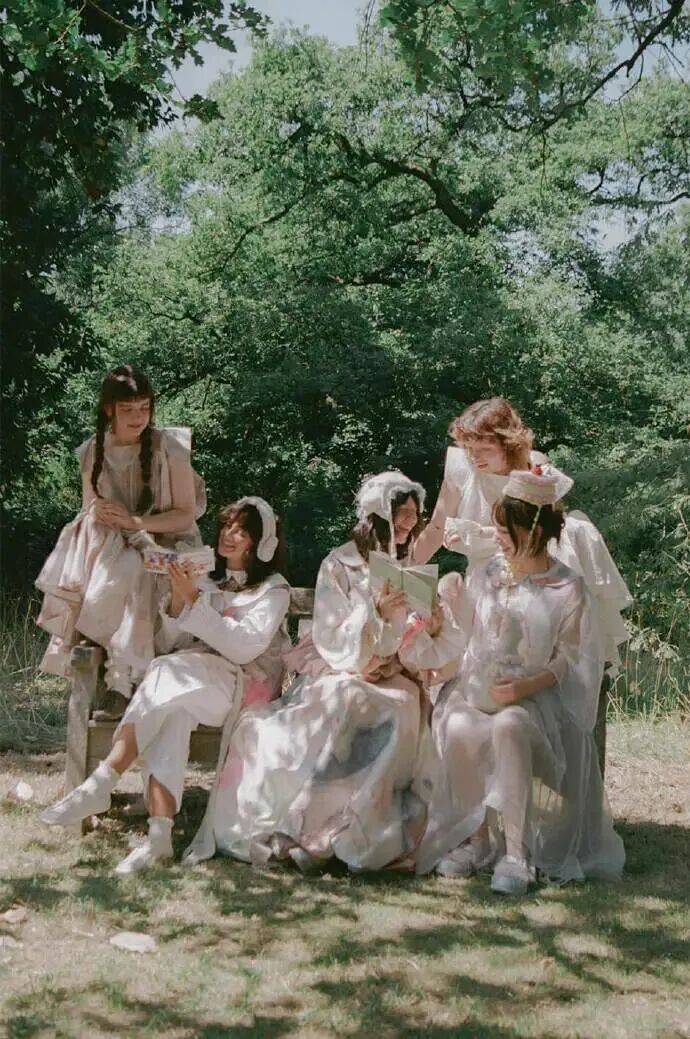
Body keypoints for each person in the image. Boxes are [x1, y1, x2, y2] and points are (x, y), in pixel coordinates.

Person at [183, 471, 465, 873]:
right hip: (340, 664)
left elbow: (415, 637)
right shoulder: (339, 562)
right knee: (345, 700)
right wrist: (374, 617)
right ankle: (312, 827)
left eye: (413, 516)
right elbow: (331, 632)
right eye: (401, 513)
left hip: (394, 670)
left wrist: (430, 627)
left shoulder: (408, 565)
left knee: (401, 707)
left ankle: (371, 834)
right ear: (378, 514)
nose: (408, 523)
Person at [40, 497, 291, 875]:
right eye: (227, 526)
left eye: (241, 531)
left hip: (243, 687)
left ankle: (103, 781)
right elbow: (172, 643)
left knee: (166, 674)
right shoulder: (207, 579)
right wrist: (179, 597)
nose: (229, 535)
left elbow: (243, 648)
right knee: (172, 710)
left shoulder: (273, 591)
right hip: (196, 680)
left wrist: (193, 602)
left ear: (260, 543)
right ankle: (159, 837)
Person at [416, 470, 625, 894]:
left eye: (504, 529)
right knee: (458, 723)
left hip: (540, 703)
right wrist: (446, 611)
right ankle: (477, 839)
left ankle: (517, 853)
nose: (496, 537)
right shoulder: (489, 574)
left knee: (510, 725)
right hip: (484, 691)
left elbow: (571, 659)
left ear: (533, 530)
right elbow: (469, 636)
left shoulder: (568, 586)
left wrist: (523, 689)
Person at [413, 397, 631, 670]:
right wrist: (406, 566)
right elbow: (436, 528)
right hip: (486, 580)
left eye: (485, 449)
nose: (475, 457)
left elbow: (546, 529)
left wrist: (480, 534)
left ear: (509, 444)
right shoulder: (461, 468)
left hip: (534, 568)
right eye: (469, 448)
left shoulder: (534, 468)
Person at [36, 364, 206, 708]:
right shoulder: (92, 451)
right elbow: (88, 509)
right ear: (109, 409)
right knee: (116, 562)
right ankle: (118, 670)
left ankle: (123, 673)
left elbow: (185, 514)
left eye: (144, 408)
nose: (138, 417)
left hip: (165, 542)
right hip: (109, 547)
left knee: (133, 568)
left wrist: (135, 521)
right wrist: (100, 513)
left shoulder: (170, 446)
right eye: (128, 409)